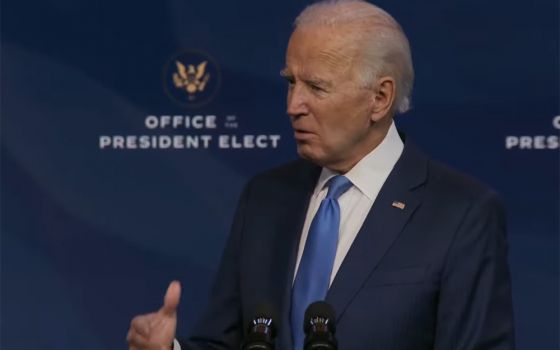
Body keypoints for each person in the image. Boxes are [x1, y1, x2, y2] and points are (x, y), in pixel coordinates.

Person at [126, 1, 515, 349]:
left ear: (380, 98)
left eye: (315, 86)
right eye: (291, 82)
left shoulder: (461, 213)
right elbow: (227, 342)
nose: (294, 105)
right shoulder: (265, 197)